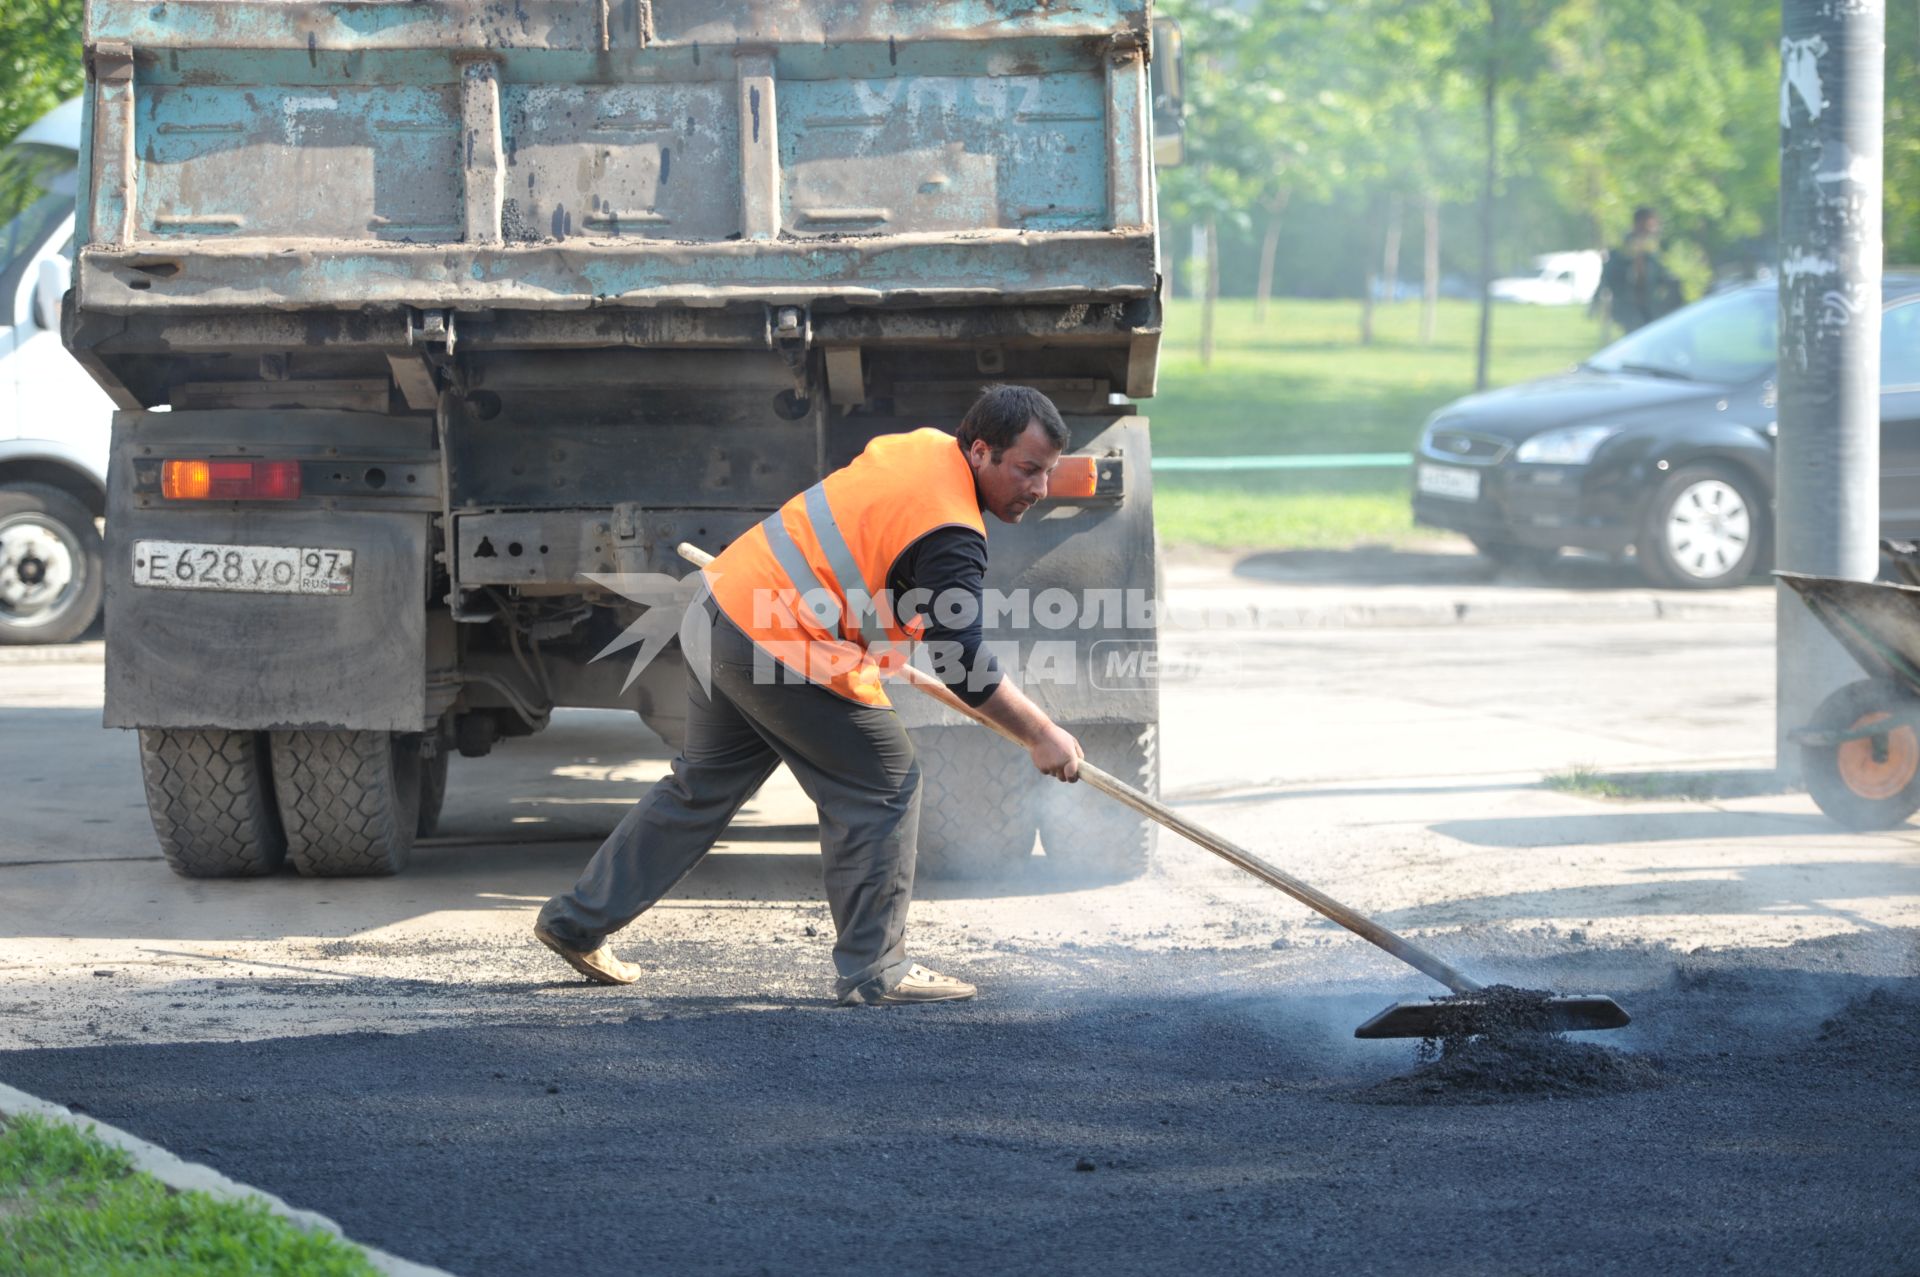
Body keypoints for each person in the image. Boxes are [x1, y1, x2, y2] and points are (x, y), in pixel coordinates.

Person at [533, 384, 1085, 1005]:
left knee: (700, 788)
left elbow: (869, 557)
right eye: (1027, 470)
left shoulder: (926, 447)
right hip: (779, 642)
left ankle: (575, 923)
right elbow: (964, 667)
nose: (1038, 489)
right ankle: (876, 969)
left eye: (1048, 473)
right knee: (884, 785)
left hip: (720, 611)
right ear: (981, 451)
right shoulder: (952, 529)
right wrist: (1042, 733)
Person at [1596, 206, 1683, 333]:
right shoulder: (1624, 249)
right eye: (1650, 224)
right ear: (1640, 223)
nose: (1654, 228)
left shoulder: (1653, 249)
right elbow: (1611, 276)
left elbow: (1660, 274)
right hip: (1631, 310)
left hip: (1651, 308)